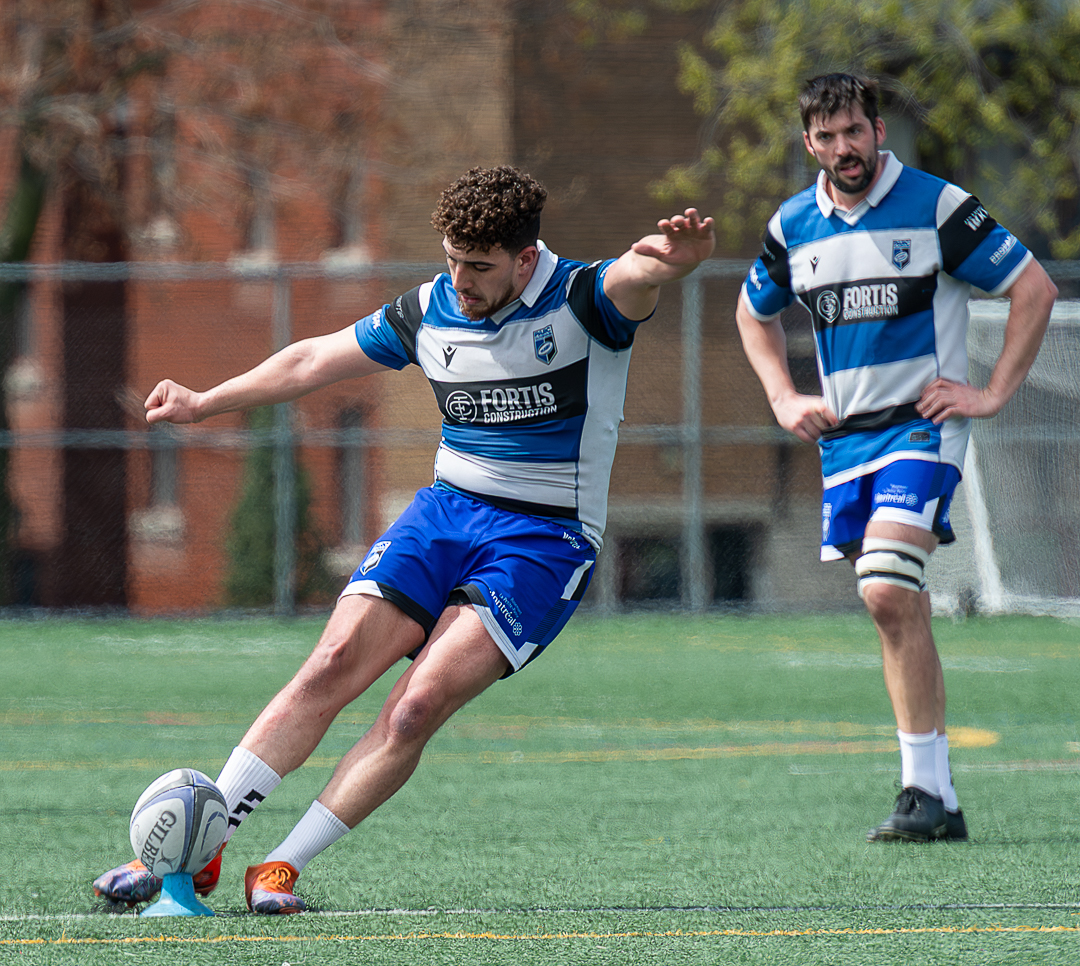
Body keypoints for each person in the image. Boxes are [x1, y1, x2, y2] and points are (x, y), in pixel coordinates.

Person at [93, 165, 716, 914]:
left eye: (478, 267)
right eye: (451, 259)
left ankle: (281, 867)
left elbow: (636, 278)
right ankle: (202, 844)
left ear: (525, 259)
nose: (459, 280)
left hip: (544, 541)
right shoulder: (429, 310)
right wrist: (205, 402)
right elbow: (311, 358)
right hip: (445, 514)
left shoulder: (584, 299)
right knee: (329, 664)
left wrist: (671, 262)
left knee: (415, 707)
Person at [736, 74, 1057, 842]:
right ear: (809, 143)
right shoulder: (793, 225)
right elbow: (752, 313)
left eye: (854, 131)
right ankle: (932, 797)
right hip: (845, 442)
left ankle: (922, 790)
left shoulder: (936, 205)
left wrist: (992, 393)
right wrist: (782, 397)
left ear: (878, 131)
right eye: (826, 136)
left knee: (884, 585)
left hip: (922, 428)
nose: (843, 147)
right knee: (895, 604)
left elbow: (1034, 289)